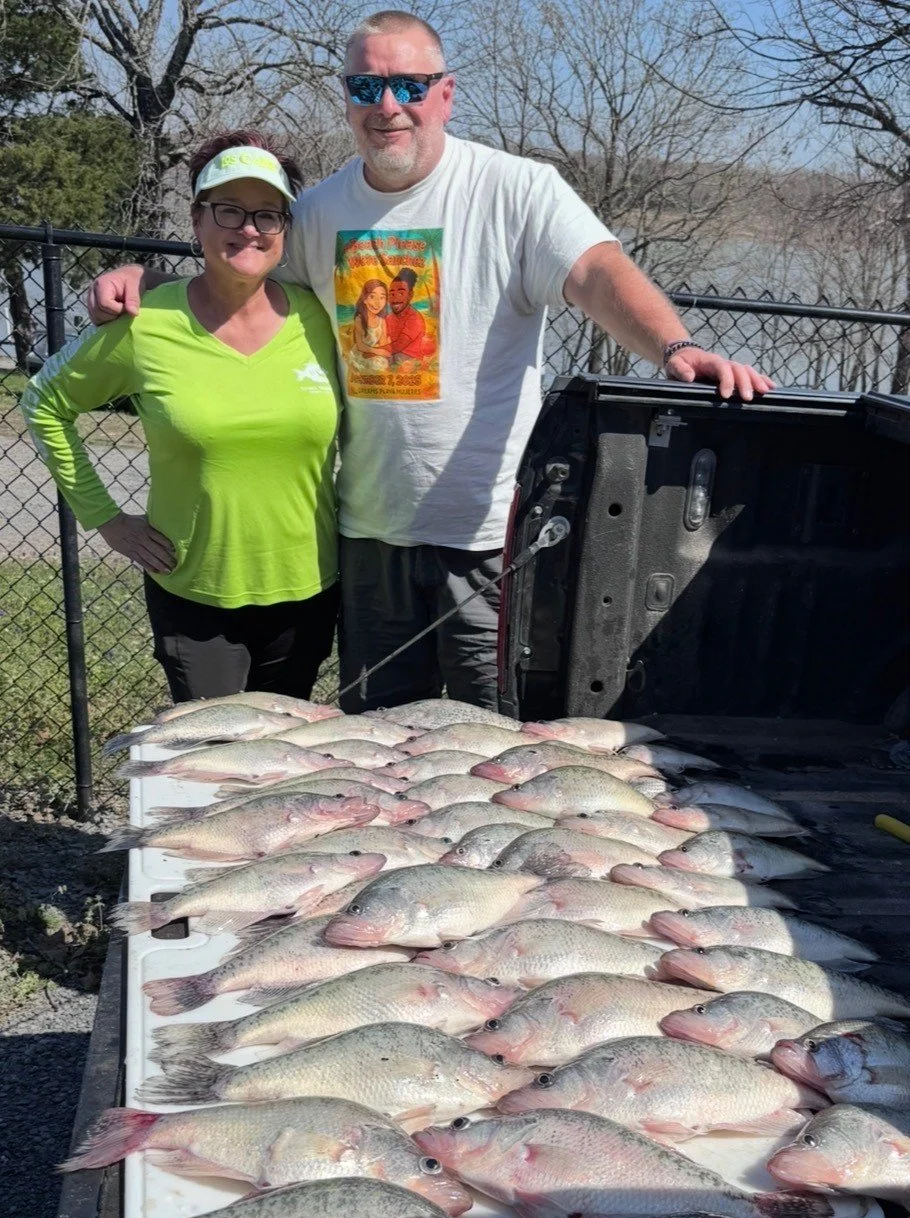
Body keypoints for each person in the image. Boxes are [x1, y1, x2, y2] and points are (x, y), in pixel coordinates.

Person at [87, 11, 773, 714]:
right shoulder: (318, 213)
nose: (388, 107)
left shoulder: (517, 190)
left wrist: (675, 345)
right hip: (367, 538)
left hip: (488, 540)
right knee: (378, 744)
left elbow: (597, 270)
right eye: (367, 86)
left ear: (445, 93)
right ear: (347, 97)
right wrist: (143, 280)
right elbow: (237, 271)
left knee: (489, 741)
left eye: (409, 85)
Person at [24, 130, 340, 704]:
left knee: (287, 766)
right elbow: (44, 402)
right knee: (208, 772)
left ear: (284, 230)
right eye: (229, 210)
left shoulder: (322, 320)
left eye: (267, 215)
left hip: (309, 591)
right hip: (195, 595)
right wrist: (107, 520)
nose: (249, 228)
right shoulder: (145, 325)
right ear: (196, 221)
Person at [351, 277, 392, 370]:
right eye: (372, 297)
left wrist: (389, 341)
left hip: (373, 353)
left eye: (382, 297)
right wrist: (378, 351)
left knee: (384, 363)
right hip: (360, 354)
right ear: (364, 299)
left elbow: (383, 343)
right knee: (377, 365)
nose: (377, 302)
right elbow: (360, 345)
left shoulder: (382, 321)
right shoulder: (359, 320)